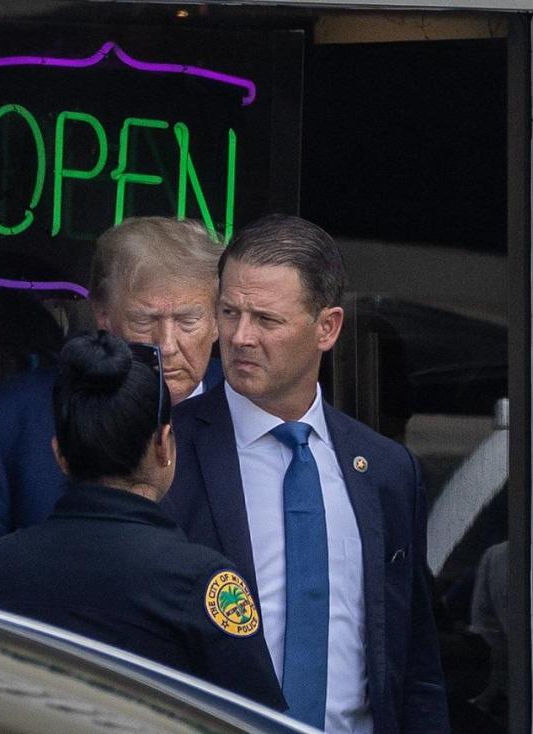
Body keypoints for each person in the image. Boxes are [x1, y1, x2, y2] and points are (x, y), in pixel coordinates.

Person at [164, 214, 449, 732]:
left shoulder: (386, 470)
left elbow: (414, 664)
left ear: (328, 328)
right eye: (229, 312)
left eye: (266, 320)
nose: (240, 336)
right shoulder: (166, 450)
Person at [0, 331, 285, 709]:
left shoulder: (6, 564)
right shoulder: (201, 580)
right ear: (164, 445)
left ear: (59, 455)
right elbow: (259, 721)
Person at [0, 217, 223, 541]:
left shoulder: (248, 410)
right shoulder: (8, 421)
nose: (167, 345)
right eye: (144, 320)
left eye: (187, 320)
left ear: (217, 320)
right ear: (102, 314)